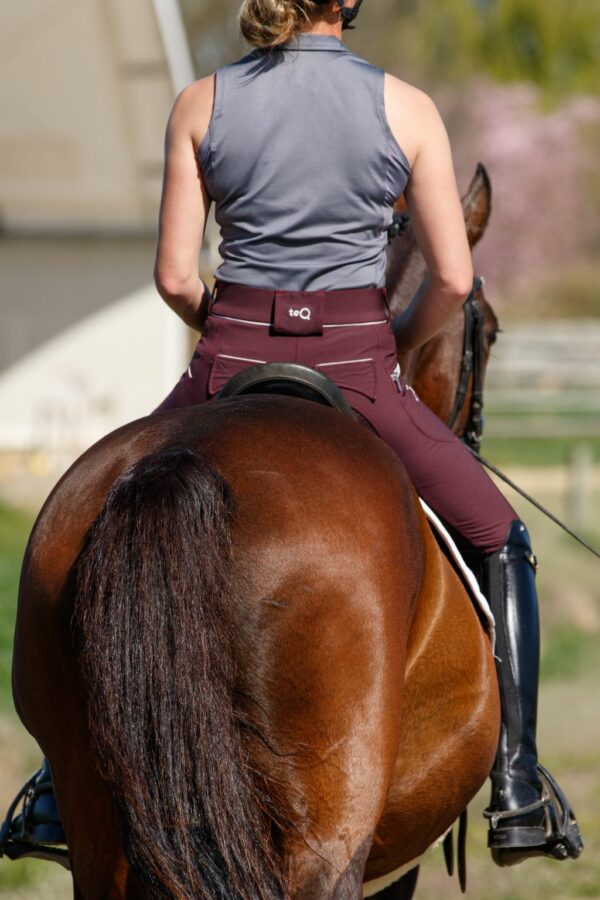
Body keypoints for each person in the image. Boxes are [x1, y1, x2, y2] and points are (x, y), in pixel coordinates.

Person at [0, 0, 582, 871]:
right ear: (347, 5)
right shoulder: (407, 108)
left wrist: (232, 323)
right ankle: (519, 783)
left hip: (225, 360)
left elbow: (172, 275)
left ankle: (58, 777)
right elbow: (455, 279)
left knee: (99, 516)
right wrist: (393, 342)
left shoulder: (200, 102)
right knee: (504, 537)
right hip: (358, 364)